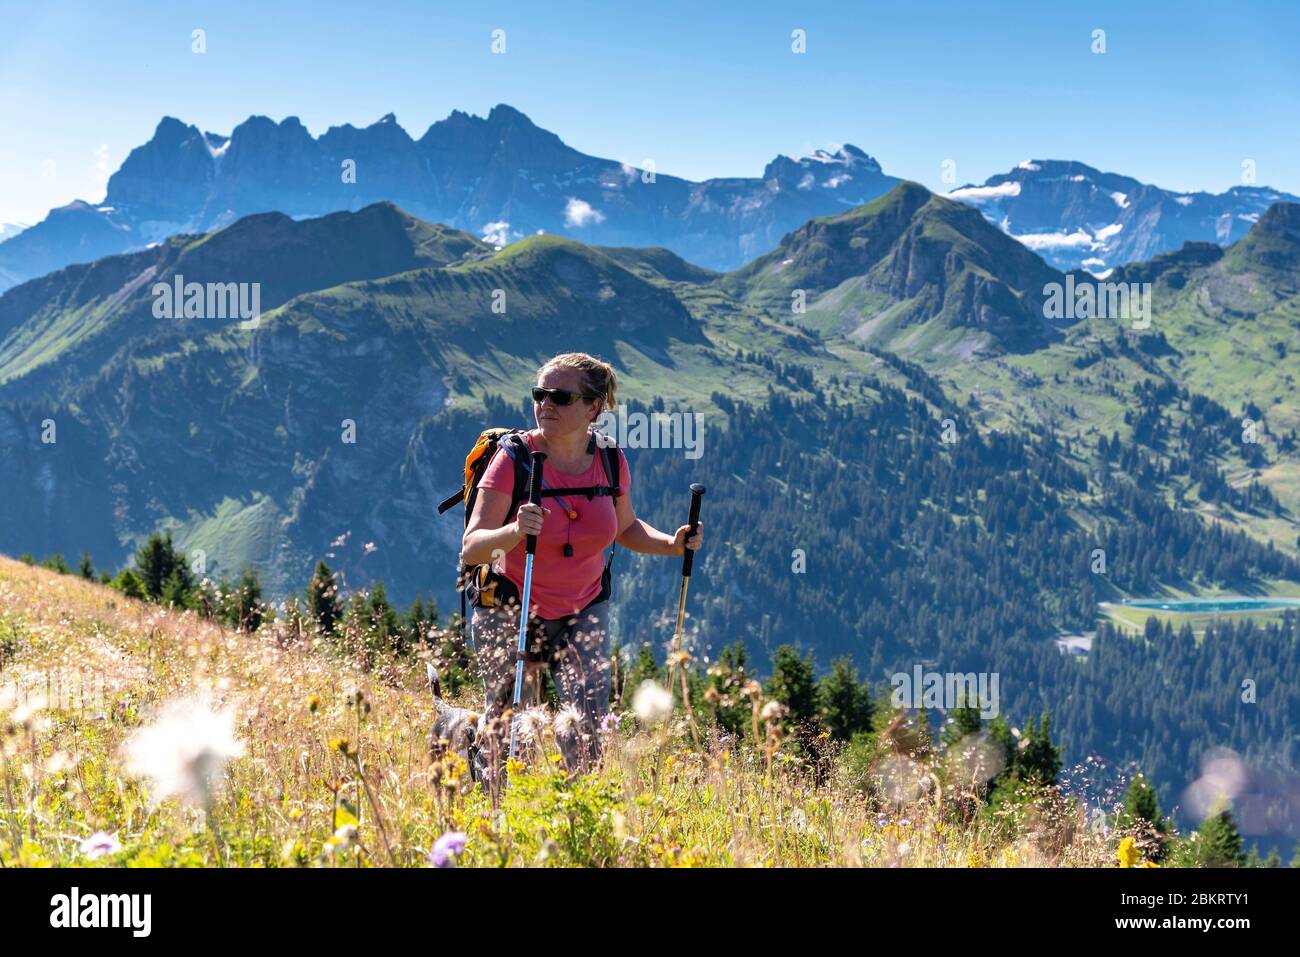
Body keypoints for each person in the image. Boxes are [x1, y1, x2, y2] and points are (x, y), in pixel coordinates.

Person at [459, 352, 703, 784]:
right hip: (511, 605)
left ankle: (575, 823)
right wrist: (515, 531)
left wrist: (673, 544)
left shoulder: (610, 459)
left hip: (584, 608)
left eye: (560, 397)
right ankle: (493, 818)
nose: (545, 405)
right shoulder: (513, 458)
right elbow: (472, 549)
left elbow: (625, 527)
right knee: (511, 730)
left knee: (589, 729)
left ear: (593, 407)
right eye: (539, 394)